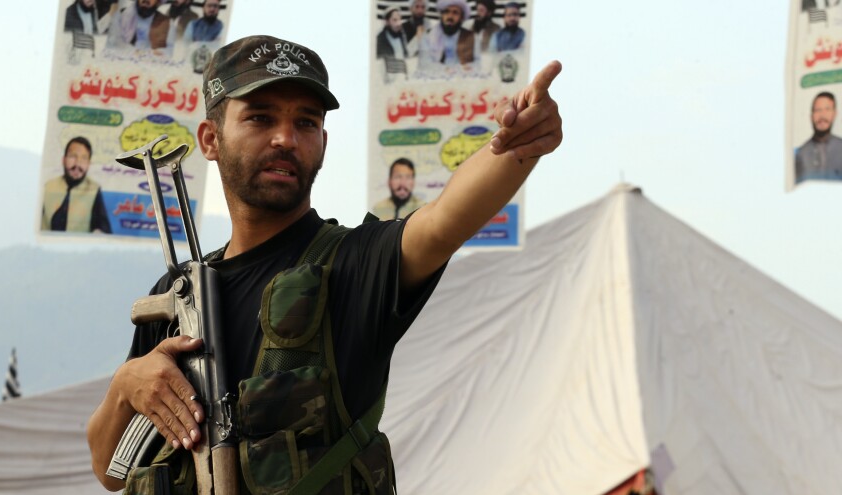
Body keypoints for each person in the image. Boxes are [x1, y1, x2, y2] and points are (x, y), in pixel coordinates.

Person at [86, 34, 561, 493]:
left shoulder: (353, 267)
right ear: (210, 139)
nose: (285, 139)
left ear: (323, 143)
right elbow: (109, 471)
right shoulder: (179, 295)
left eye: (306, 123)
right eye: (260, 118)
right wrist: (127, 386)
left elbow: (440, 223)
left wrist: (517, 148)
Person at [42, 136, 112, 233]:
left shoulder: (94, 190)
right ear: (63, 160)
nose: (78, 164)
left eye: (84, 158)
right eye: (73, 156)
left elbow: (103, 228)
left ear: (88, 164)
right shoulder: (47, 187)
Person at [795, 91, 842, 183]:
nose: (822, 115)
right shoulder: (801, 154)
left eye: (827, 109)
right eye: (818, 110)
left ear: (834, 113)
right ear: (811, 116)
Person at [418, 0, 478, 70]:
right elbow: (424, 63)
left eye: (455, 12)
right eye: (446, 11)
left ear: (461, 17)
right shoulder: (428, 36)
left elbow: (479, 64)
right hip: (436, 78)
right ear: (442, 15)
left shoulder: (471, 37)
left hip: (463, 77)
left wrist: (466, 68)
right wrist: (445, 69)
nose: (450, 16)